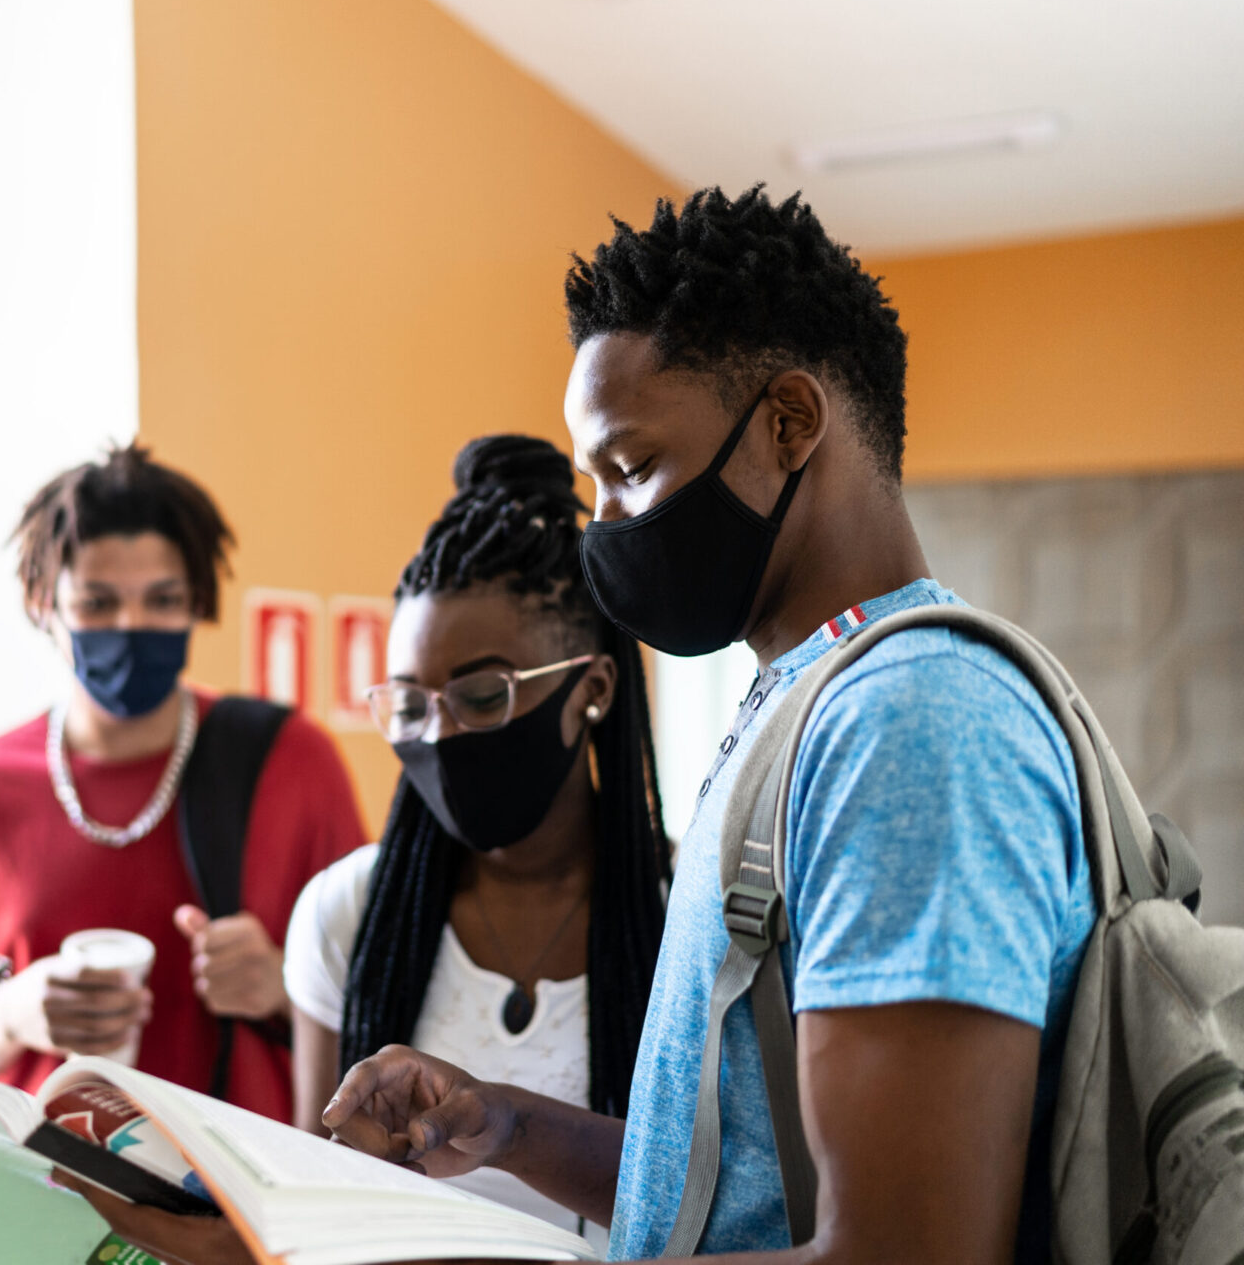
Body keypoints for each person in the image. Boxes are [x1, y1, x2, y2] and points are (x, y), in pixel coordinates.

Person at [79, 186, 1098, 1265]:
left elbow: (905, 1253)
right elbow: (728, 1190)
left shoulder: (910, 723)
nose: (603, 526)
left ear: (790, 423)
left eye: (631, 469)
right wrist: (511, 1126)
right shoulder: (809, 704)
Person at [0, 442, 367, 1121]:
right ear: (42, 603)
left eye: (162, 600)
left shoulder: (291, 762)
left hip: (240, 1181)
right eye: (98, 602)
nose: (130, 627)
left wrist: (286, 989)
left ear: (198, 601)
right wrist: (10, 1015)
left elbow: (388, 1009)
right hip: (32, 1178)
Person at [281, 433, 669, 1248]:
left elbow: (729, 1200)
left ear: (592, 689)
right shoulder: (348, 912)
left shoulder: (687, 913)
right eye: (410, 706)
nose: (441, 734)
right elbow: (311, 1205)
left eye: (483, 696)